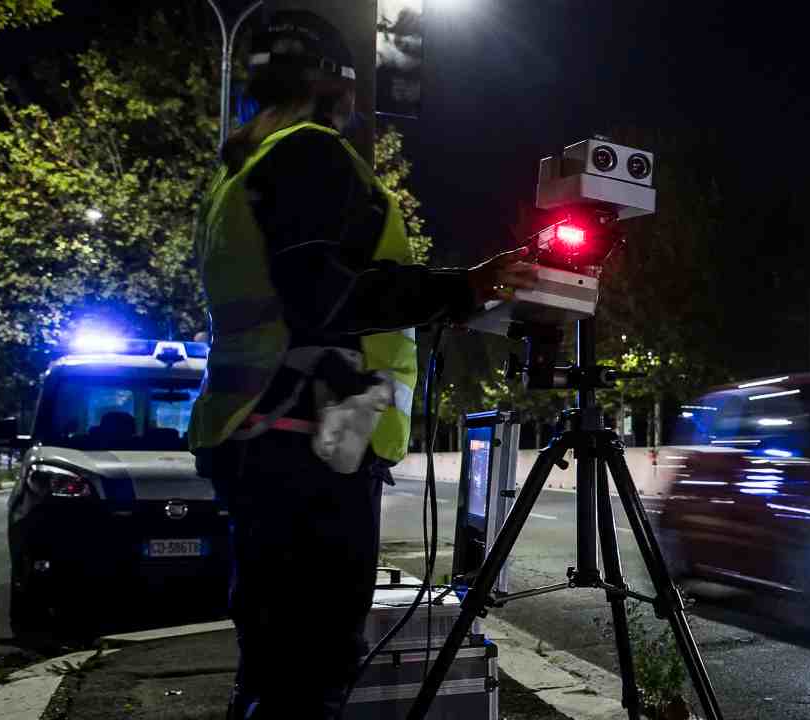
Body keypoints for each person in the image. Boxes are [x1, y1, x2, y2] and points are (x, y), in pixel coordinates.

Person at [187, 10, 535, 719]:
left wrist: (449, 299)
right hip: (310, 442)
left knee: (274, 669)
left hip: (267, 436)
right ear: (334, 86)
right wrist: (460, 287)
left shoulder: (242, 172)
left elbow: (300, 293)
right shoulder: (309, 154)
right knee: (309, 676)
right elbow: (325, 293)